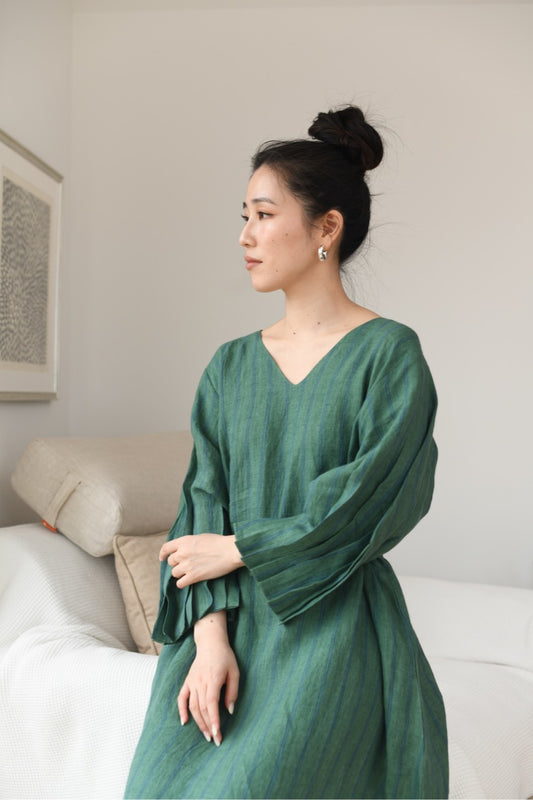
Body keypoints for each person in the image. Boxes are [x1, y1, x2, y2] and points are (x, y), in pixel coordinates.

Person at [125, 105, 449, 799]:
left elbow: (368, 501)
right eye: (242, 215)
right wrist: (208, 642)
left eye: (264, 215)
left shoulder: (389, 355)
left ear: (325, 227)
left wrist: (242, 547)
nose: (245, 236)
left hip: (330, 628)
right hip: (223, 628)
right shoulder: (229, 367)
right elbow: (199, 510)